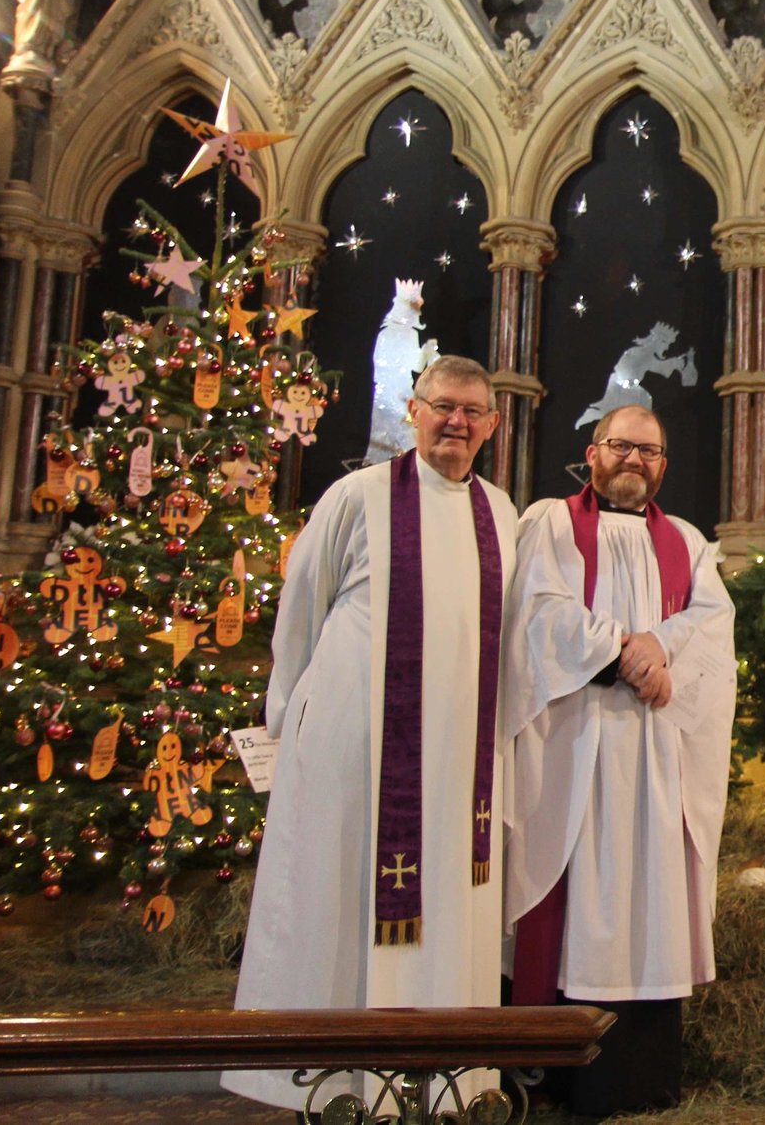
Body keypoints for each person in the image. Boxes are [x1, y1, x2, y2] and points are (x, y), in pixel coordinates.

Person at [225, 356, 515, 1112]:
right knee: (340, 894)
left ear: (492, 424)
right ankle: (330, 1081)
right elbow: (302, 611)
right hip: (353, 752)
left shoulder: (503, 512)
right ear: (414, 409)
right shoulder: (356, 497)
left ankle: (442, 1081)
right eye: (442, 406)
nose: (457, 421)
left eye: (473, 411)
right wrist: (288, 722)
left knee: (448, 905)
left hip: (457, 765)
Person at [502, 404, 737, 1118]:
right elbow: (537, 610)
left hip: (657, 758)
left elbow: (711, 624)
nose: (635, 460)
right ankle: (551, 1077)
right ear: (592, 452)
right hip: (573, 748)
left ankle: (640, 1077)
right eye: (621, 446)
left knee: (651, 896)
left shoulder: (690, 542)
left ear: (663, 465)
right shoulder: (547, 521)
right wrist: (622, 653)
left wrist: (660, 647)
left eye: (649, 451)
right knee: (568, 890)